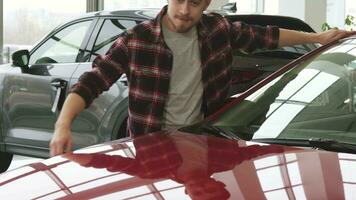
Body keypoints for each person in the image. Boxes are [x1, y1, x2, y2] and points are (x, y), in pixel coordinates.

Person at [50, 0, 356, 156]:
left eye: (194, 3)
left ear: (207, 2)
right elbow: (92, 82)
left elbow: (265, 37)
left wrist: (317, 38)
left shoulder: (217, 30)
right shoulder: (136, 40)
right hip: (152, 149)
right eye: (180, 1)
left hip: (206, 148)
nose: (184, 11)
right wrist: (63, 127)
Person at [64, 131, 287, 199]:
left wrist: (71, 156)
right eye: (209, 190)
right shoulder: (227, 162)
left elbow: (111, 163)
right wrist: (295, 148)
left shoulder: (153, 171)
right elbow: (259, 150)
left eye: (198, 194)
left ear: (188, 193)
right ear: (217, 183)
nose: (200, 188)